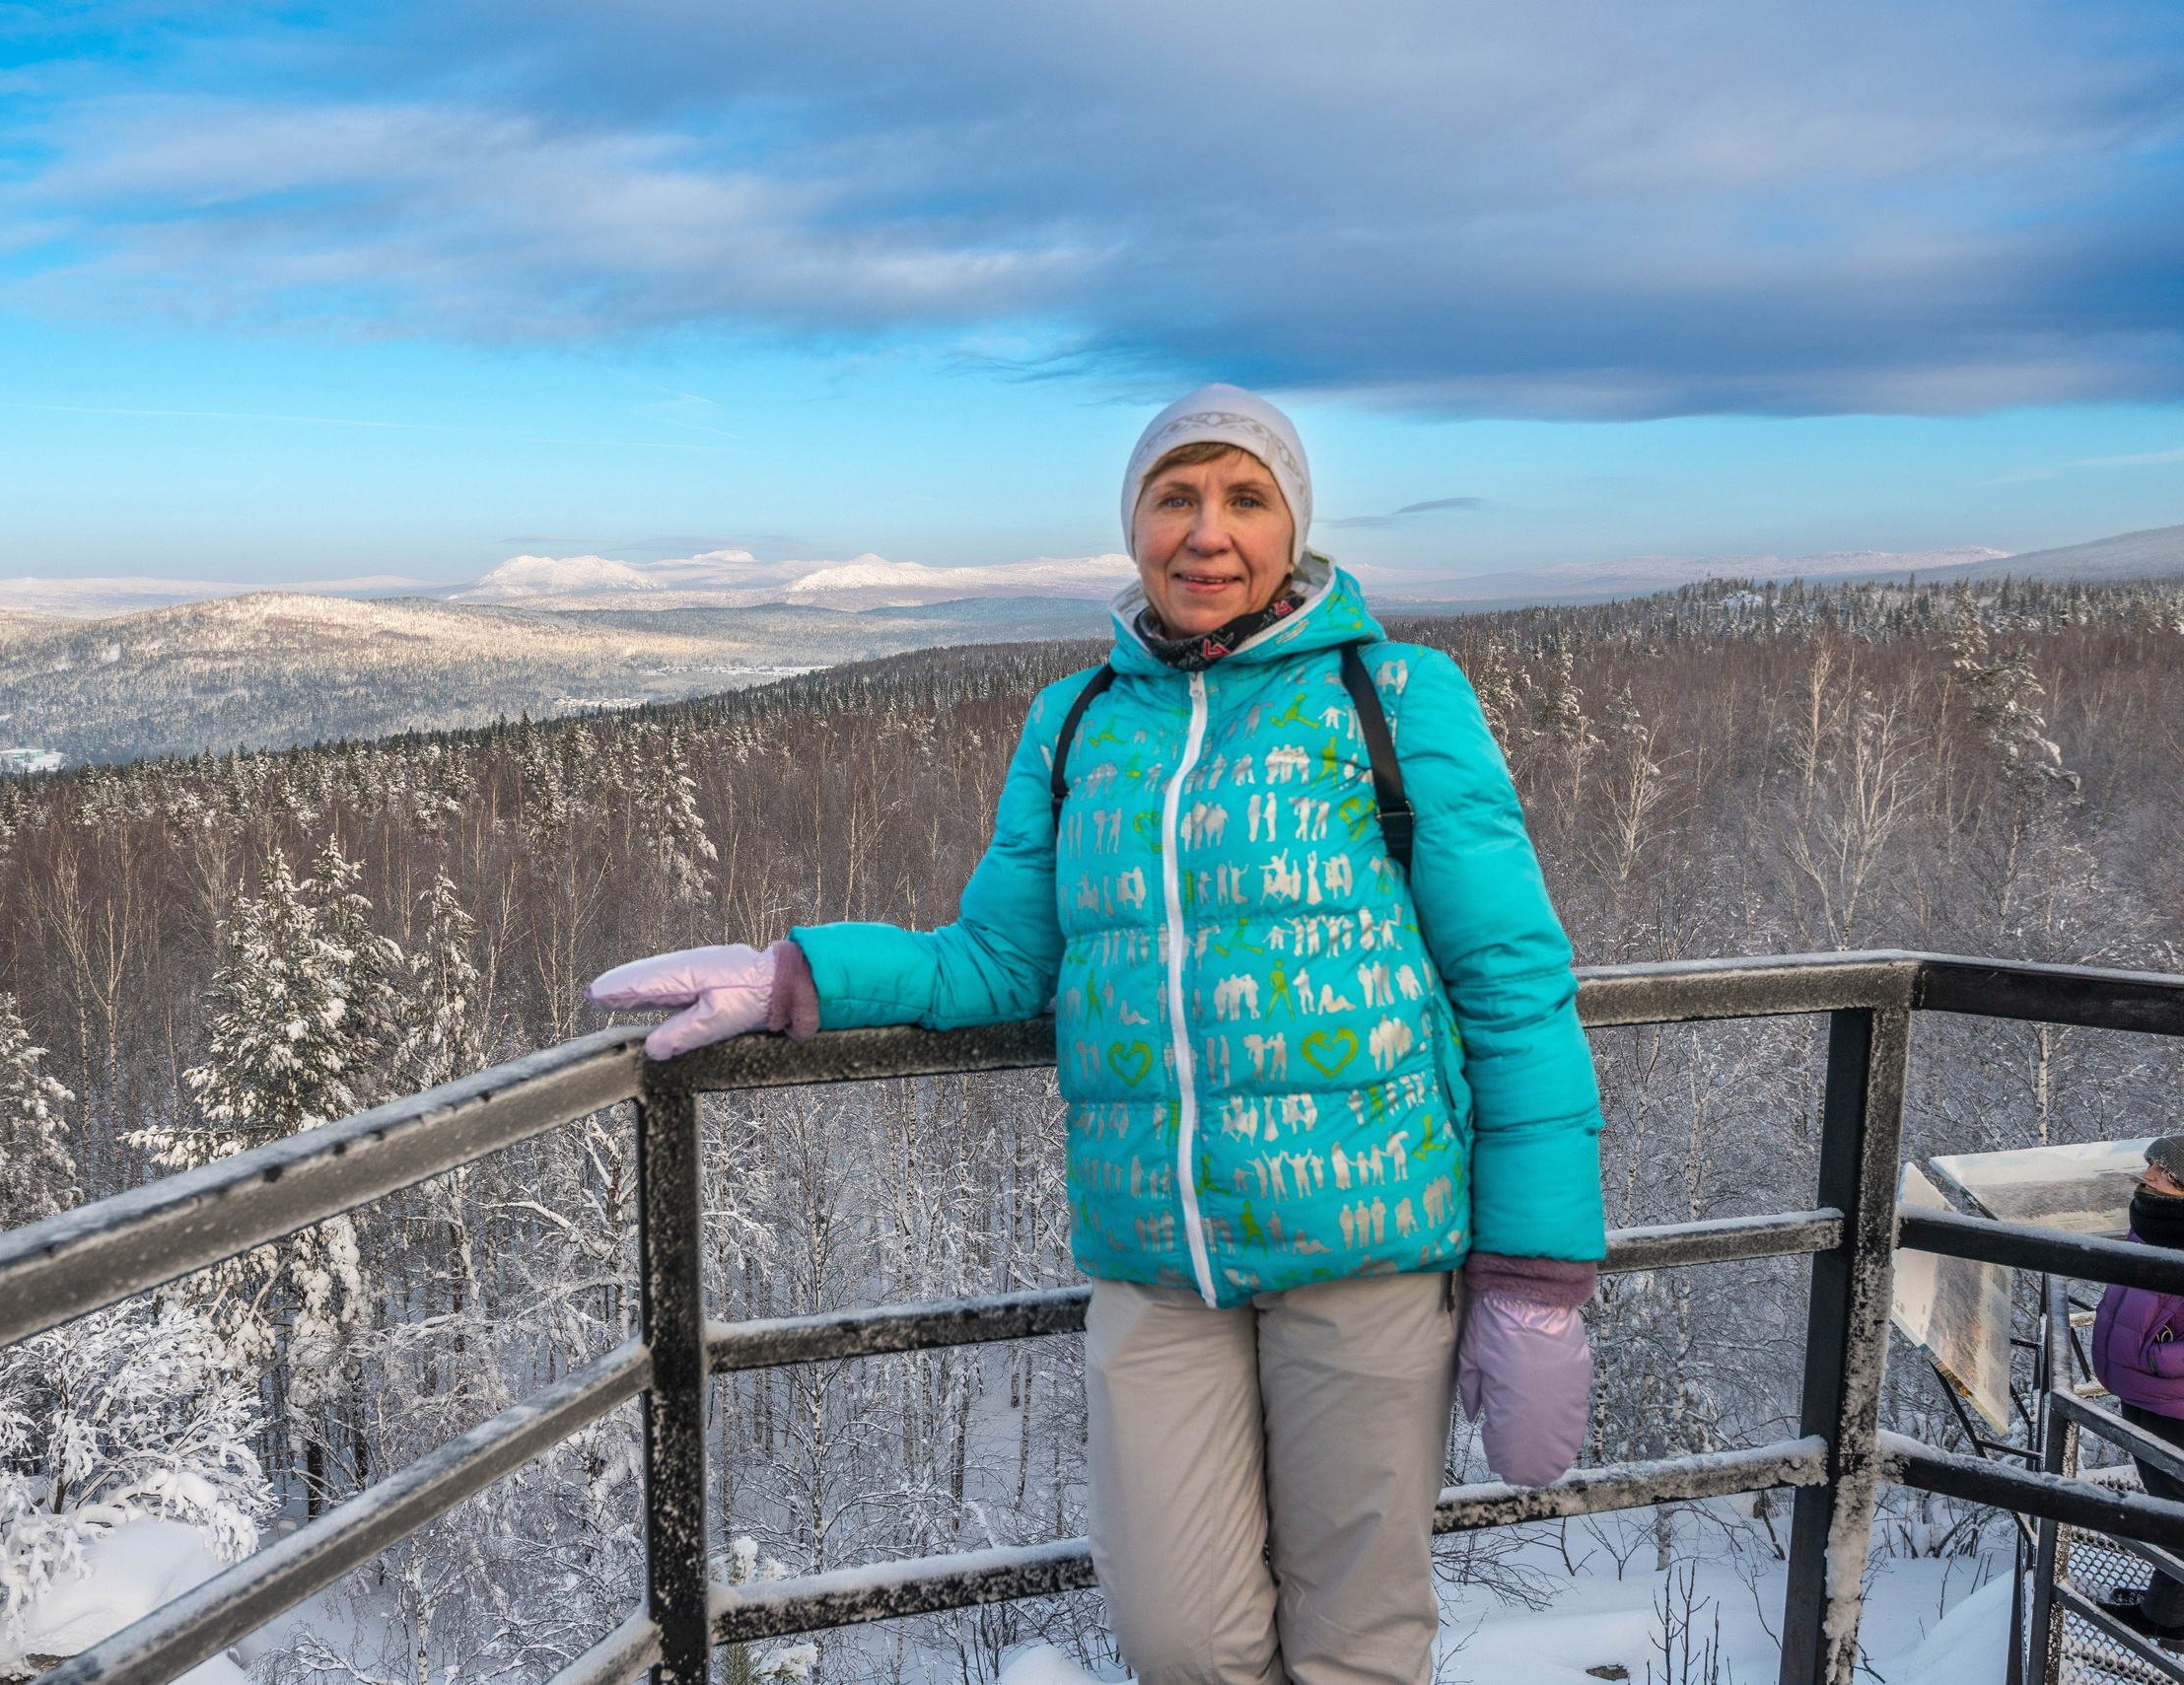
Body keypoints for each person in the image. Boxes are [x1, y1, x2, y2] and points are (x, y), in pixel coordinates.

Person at [589, 385, 1606, 1685]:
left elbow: (1512, 983)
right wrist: (800, 971)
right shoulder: (1077, 724)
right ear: (1134, 524)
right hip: (1157, 1262)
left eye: (1245, 498)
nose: (1207, 533)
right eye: (1174, 498)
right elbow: (1003, 956)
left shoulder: (1394, 698)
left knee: (1359, 1643)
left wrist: (1536, 1278)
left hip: (1369, 1249)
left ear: (1294, 525)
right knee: (1180, 1641)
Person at [2090, 1135, 2184, 1644]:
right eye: (2151, 1163)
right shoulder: (2157, 1218)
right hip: (2147, 1392)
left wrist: (2156, 1360)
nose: (2148, 1175)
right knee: (2167, 1498)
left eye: (2163, 1172)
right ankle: (2164, 1601)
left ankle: (2168, 1622)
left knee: (2176, 1513)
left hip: (2172, 1400)